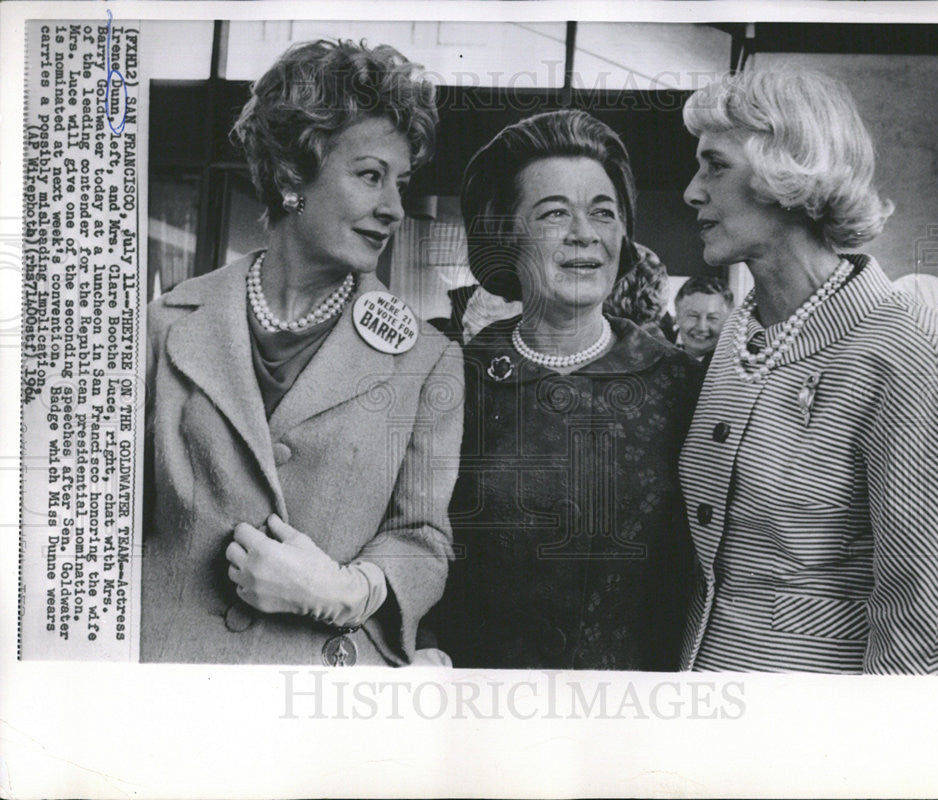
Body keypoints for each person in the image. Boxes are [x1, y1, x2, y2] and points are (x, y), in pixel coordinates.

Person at [141, 40, 463, 666]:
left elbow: (422, 540)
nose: (394, 207)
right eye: (371, 175)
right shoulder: (164, 327)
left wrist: (348, 592)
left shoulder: (427, 360)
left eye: (401, 182)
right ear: (293, 176)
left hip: (323, 703)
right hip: (166, 695)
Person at [678, 69, 938, 673]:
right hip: (700, 706)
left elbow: (922, 613)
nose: (691, 192)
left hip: (811, 734)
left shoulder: (902, 346)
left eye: (714, 165)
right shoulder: (739, 330)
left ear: (788, 172)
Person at [429, 109, 702, 670]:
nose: (585, 234)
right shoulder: (453, 376)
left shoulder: (682, 386)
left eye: (604, 213)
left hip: (636, 723)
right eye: (555, 214)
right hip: (479, 715)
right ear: (506, 233)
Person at [672, 275, 733, 363]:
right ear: (677, 314)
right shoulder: (657, 347)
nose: (702, 327)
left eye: (712, 318)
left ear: (727, 320)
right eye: (693, 316)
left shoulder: (734, 362)